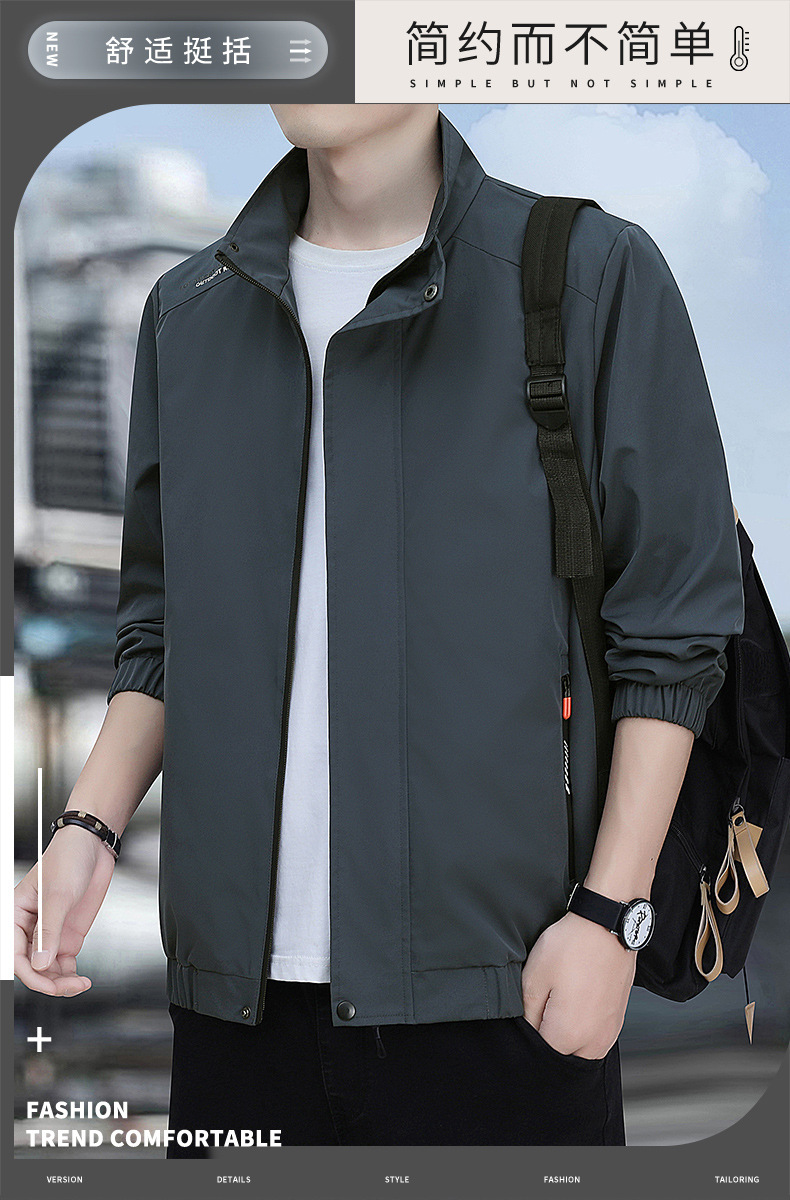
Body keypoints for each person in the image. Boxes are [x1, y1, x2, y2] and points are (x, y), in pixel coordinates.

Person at [14, 104, 745, 1149]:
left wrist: (608, 919)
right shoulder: (188, 310)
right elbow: (164, 624)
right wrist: (87, 832)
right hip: (233, 1016)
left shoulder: (585, 273)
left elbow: (673, 628)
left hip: (504, 996)